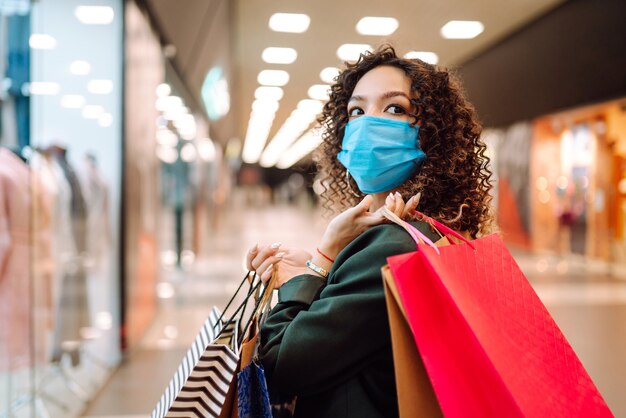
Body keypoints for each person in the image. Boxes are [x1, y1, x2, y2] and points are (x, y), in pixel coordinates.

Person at [246, 45, 493, 418]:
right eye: (356, 111)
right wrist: (318, 267)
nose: (366, 123)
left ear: (433, 135)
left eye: (394, 108)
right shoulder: (429, 232)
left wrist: (323, 258)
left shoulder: (393, 245)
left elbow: (282, 364)